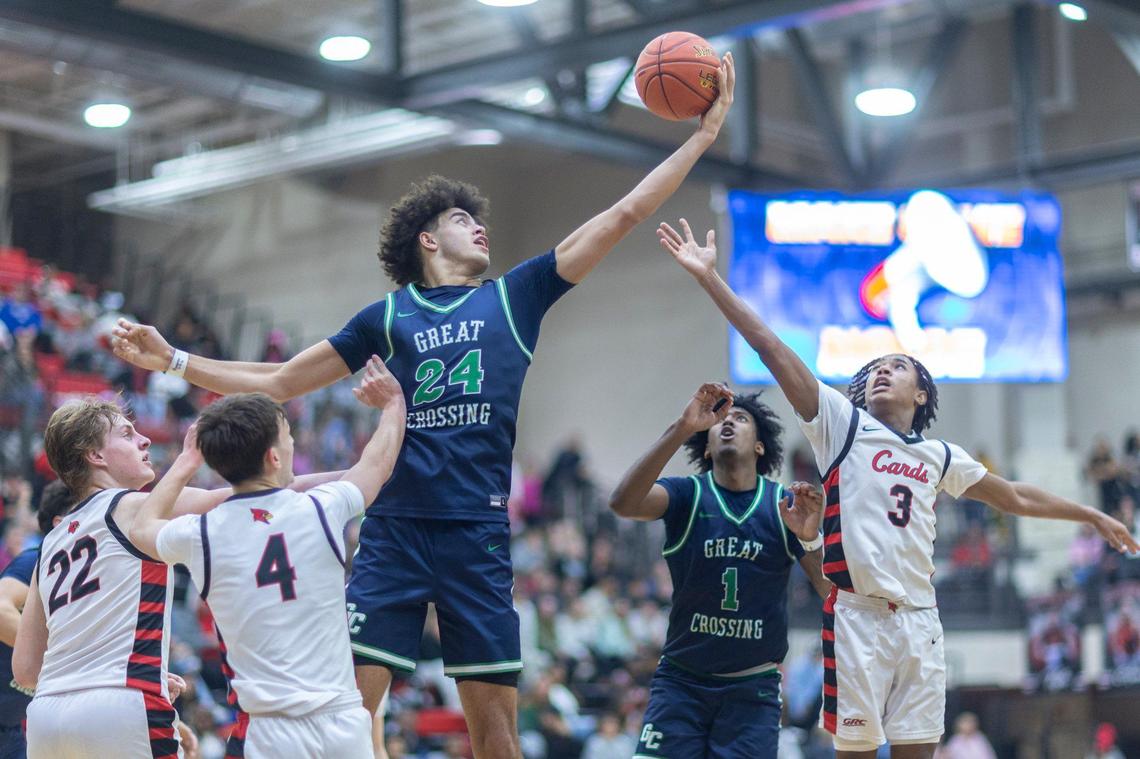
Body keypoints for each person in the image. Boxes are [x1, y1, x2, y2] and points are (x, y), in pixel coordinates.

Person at [109, 52, 737, 759]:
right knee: (351, 713)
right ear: (428, 239)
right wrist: (173, 361)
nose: (483, 230)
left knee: (495, 731)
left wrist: (701, 138)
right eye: (466, 219)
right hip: (396, 527)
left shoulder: (516, 295)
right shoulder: (386, 314)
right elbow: (282, 381)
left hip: (478, 531)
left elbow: (623, 213)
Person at [656, 217, 1139, 759]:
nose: (884, 371)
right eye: (878, 367)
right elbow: (770, 345)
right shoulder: (842, 424)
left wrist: (1090, 516)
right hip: (857, 619)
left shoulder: (940, 456)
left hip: (919, 620)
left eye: (899, 366)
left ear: (922, 392)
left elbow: (1017, 497)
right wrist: (709, 279)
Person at [11, 399, 341, 759]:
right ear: (95, 456)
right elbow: (261, 495)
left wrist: (86, 677)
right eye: (126, 433)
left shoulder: (50, 543)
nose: (144, 440)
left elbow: (26, 669)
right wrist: (355, 480)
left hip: (46, 720)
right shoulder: (132, 507)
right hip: (122, 704)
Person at [127, 356, 405, 758]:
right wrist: (393, 404)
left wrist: (186, 463)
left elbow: (141, 528)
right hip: (342, 724)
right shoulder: (320, 508)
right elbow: (377, 463)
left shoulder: (202, 533)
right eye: (288, 436)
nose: (292, 444)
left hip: (268, 732)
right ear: (274, 457)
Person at [609, 383, 830, 757]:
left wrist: (811, 540)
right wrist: (682, 427)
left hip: (752, 690)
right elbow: (623, 503)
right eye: (719, 421)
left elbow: (829, 590)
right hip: (682, 682)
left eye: (740, 419)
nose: (728, 423)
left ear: (760, 446)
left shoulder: (784, 505)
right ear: (706, 446)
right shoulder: (686, 495)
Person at [0, 482, 73, 759]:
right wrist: (61, 657)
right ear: (61, 523)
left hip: (10, 728)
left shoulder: (79, 579)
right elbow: (0, 610)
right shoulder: (39, 561)